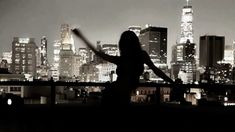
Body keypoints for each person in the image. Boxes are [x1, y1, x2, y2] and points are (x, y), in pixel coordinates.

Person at [72, 29, 174, 105]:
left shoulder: (122, 59)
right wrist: (172, 82)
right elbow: (156, 70)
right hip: (122, 92)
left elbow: (98, 53)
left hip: (116, 91)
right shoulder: (141, 55)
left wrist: (81, 37)